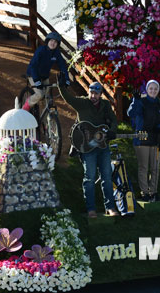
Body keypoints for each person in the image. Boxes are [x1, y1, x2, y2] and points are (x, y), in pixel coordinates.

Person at [58, 81, 118, 218]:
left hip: (103, 145)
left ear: (100, 94)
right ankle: (91, 209)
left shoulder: (105, 105)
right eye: (91, 92)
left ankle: (110, 207)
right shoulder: (82, 103)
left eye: (96, 93)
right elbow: (68, 98)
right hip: (87, 147)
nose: (93, 95)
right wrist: (61, 86)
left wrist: (112, 131)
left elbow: (113, 120)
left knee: (107, 177)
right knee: (90, 178)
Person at [128, 80, 160, 202]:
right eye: (151, 88)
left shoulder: (159, 103)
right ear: (147, 90)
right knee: (144, 167)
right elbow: (131, 113)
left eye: (155, 89)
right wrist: (135, 100)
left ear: (158, 90)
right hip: (142, 138)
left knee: (155, 167)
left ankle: (153, 192)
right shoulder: (142, 101)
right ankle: (144, 192)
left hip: (155, 139)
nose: (153, 91)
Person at [25, 31, 69, 109]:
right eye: (51, 40)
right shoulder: (41, 50)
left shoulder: (56, 53)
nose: (53, 43)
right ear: (48, 41)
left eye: (55, 42)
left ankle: (45, 119)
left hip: (45, 76)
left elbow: (62, 65)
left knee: (47, 97)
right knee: (40, 94)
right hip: (33, 75)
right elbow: (33, 66)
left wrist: (66, 79)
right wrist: (37, 81)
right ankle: (25, 107)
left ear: (57, 44)